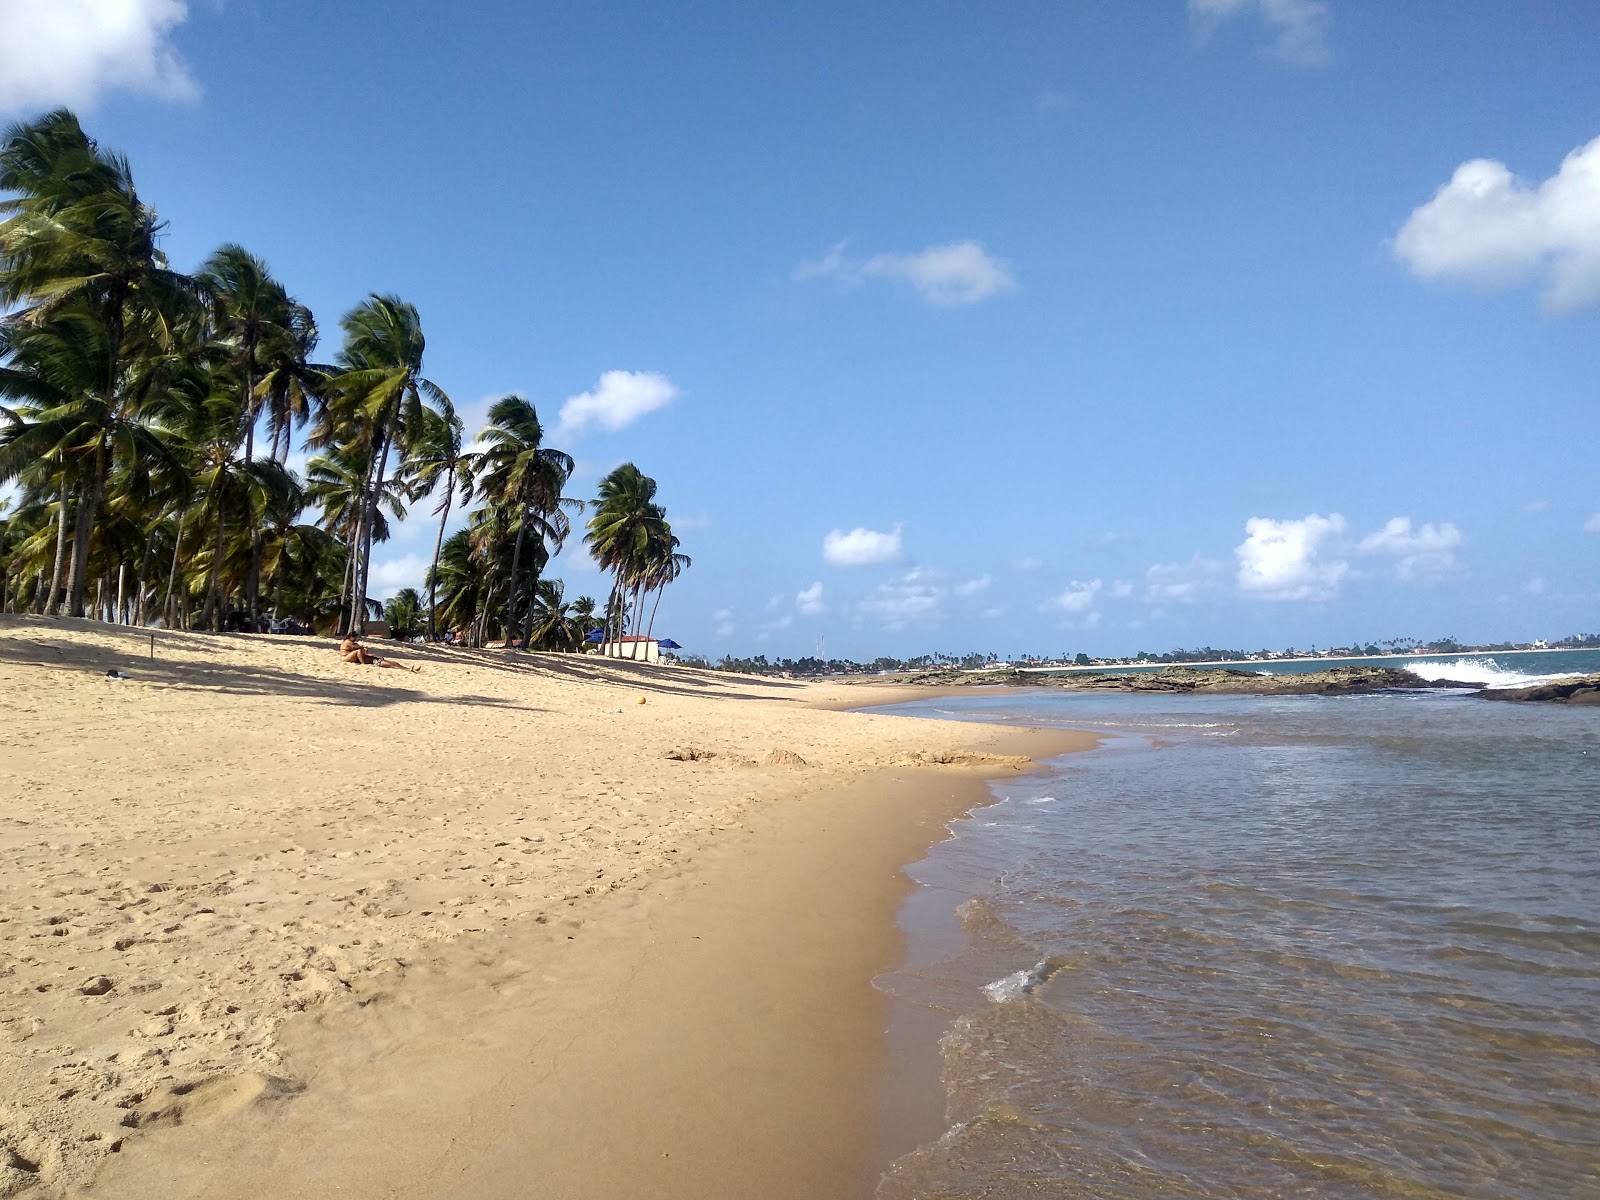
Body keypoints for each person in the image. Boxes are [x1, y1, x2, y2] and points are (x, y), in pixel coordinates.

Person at [339, 633, 420, 673]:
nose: (355, 639)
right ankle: (362, 663)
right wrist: (362, 648)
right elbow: (354, 648)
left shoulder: (355, 644)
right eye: (355, 637)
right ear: (351, 637)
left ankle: (408, 669)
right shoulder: (347, 642)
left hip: (371, 659)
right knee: (390, 664)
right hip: (347, 658)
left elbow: (359, 649)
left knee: (393, 662)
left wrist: (366, 650)